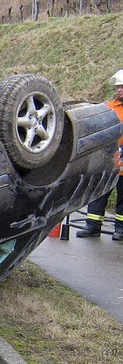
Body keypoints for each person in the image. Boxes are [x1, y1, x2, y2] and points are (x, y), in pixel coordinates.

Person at [76, 69, 123, 240]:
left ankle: (121, 230)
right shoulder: (108, 108)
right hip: (107, 161)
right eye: (118, 87)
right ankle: (92, 226)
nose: (119, 90)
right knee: (99, 193)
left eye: (122, 87)